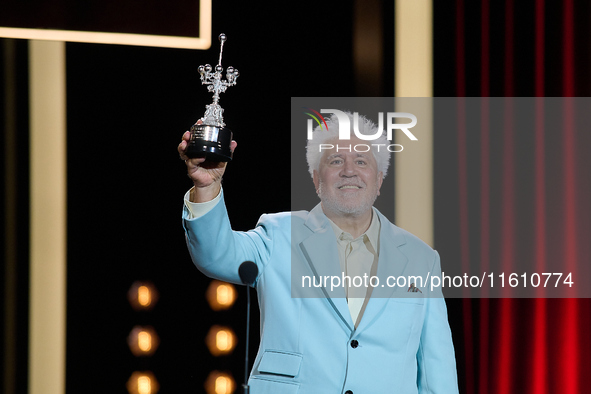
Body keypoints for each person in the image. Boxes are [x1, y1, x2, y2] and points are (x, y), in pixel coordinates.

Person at [178, 113, 459, 393]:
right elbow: (216, 255)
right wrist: (207, 185)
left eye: (361, 161)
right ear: (315, 178)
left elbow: (438, 371)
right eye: (336, 161)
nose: (349, 171)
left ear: (380, 178)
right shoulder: (278, 234)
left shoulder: (422, 259)